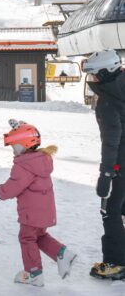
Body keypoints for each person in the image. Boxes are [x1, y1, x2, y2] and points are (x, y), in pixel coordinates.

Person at [0, 120, 77, 287]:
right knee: (39, 236)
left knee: (26, 238)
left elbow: (13, 187)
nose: (13, 149)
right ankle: (62, 253)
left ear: (24, 144)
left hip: (31, 213)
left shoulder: (23, 165)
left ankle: (34, 273)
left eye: (14, 145)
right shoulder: (41, 160)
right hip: (44, 210)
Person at [82, 49, 125, 280]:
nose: (93, 80)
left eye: (95, 75)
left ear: (107, 73)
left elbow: (111, 141)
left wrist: (106, 174)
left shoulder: (108, 101)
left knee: (111, 211)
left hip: (119, 164)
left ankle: (116, 263)